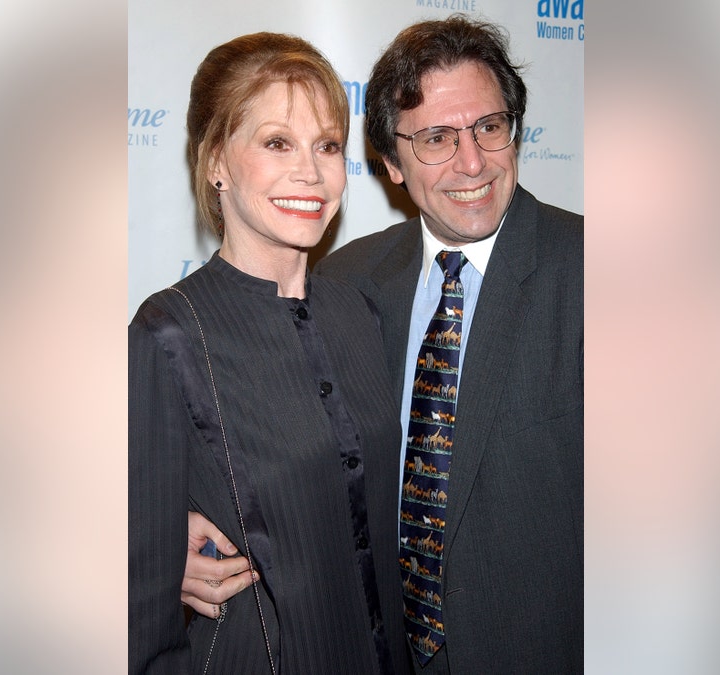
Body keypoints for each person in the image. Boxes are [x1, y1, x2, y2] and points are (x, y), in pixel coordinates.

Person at [184, 16, 583, 674]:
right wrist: (164, 537)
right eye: (436, 138)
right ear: (392, 164)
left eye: (489, 126)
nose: (473, 160)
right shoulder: (345, 285)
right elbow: (271, 454)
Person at [129, 32, 410, 674]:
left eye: (327, 146)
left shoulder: (358, 312)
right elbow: (141, 621)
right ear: (215, 162)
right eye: (277, 142)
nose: (310, 172)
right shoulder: (168, 332)